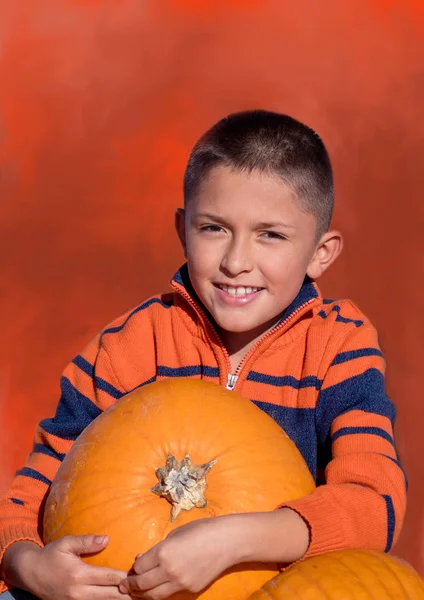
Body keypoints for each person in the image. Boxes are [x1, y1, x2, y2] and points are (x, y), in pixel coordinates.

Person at [0, 110, 407, 600]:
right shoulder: (130, 346)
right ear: (182, 229)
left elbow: (373, 503)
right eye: (214, 228)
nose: (236, 262)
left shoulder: (338, 347)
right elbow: (32, 494)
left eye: (270, 235)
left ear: (321, 252)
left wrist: (235, 540)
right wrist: (28, 563)